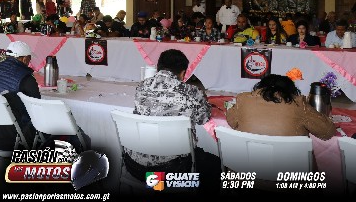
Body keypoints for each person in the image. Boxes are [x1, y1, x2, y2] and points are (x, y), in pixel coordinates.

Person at [123, 49, 211, 181]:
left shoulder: (142, 86)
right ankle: (168, 185)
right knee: (215, 166)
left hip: (134, 167)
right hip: (173, 170)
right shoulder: (191, 92)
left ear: (158, 68)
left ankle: (154, 186)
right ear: (183, 73)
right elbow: (204, 118)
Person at [226, 74, 335, 139]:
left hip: (245, 167)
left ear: (260, 86)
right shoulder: (299, 104)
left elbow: (231, 121)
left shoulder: (243, 99)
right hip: (290, 169)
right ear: (291, 90)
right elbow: (327, 132)